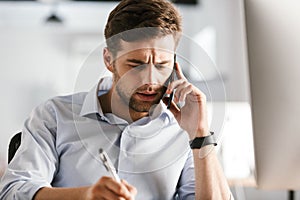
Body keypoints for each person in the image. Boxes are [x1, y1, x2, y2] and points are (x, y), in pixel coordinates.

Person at [0, 0, 233, 199]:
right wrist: (86, 196)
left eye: (162, 65)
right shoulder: (54, 116)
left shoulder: (184, 132)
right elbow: (14, 191)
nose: (150, 79)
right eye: (136, 64)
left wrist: (200, 134)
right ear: (109, 59)